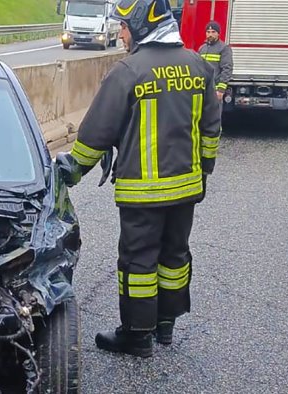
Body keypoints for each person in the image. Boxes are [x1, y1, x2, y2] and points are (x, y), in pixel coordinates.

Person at [55, 0, 221, 358]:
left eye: (126, 26)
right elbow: (211, 129)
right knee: (174, 255)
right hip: (187, 189)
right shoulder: (198, 66)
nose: (122, 33)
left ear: (145, 24)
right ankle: (166, 325)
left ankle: (136, 335)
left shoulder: (128, 72)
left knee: (139, 263)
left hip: (143, 193)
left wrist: (69, 172)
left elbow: (96, 133)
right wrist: (204, 170)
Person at [198, 20, 233, 102]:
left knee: (214, 114)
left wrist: (221, 90)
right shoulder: (202, 48)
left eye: (213, 32)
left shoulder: (224, 48)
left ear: (218, 33)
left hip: (215, 90)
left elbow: (227, 69)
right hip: (202, 90)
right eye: (208, 32)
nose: (210, 34)